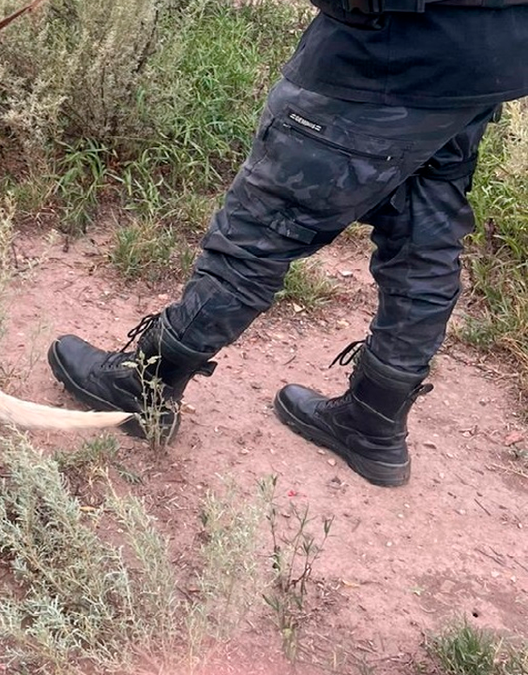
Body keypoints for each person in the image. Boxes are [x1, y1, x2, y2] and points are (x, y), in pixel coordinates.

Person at [48, 0, 528, 487]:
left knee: (261, 230)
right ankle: (373, 419)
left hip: (380, 56)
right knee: (423, 239)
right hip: (484, 60)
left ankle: (146, 382)